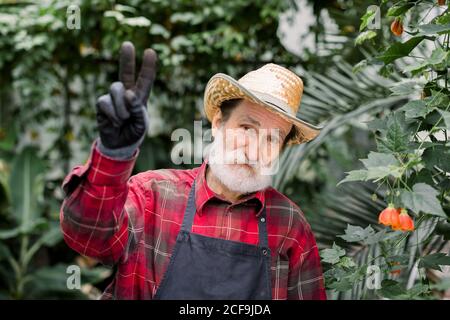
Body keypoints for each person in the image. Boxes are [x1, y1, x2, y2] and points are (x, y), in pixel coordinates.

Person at [60, 41, 327, 300]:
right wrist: (112, 156)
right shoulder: (152, 197)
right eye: (247, 128)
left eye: (272, 138)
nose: (255, 149)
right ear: (219, 123)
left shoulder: (290, 226)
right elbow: (88, 235)